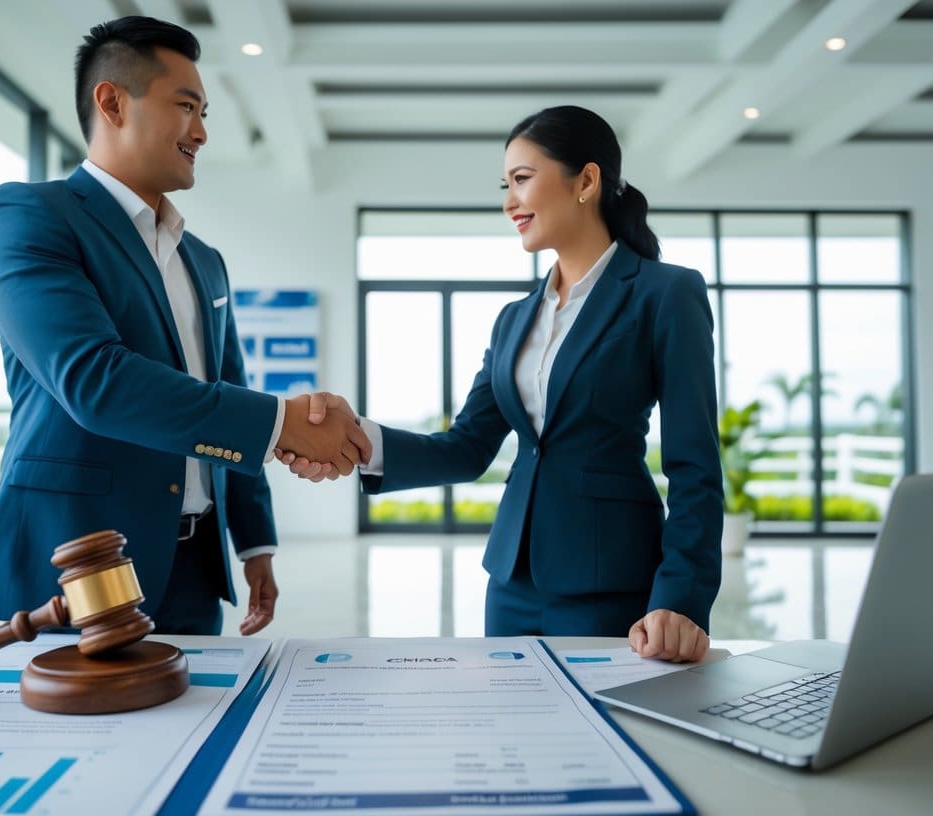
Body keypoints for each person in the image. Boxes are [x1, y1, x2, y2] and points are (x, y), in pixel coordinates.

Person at [0, 17, 369, 636]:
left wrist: (255, 543)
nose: (201, 132)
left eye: (204, 113)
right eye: (187, 107)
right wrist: (287, 423)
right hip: (73, 566)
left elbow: (229, 385)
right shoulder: (27, 215)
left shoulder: (203, 260)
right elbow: (95, 381)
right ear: (112, 101)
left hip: (195, 569)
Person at [280, 106, 722, 662]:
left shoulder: (665, 293)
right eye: (505, 184)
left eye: (522, 179)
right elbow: (466, 447)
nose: (509, 202)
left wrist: (680, 601)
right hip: (510, 583)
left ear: (586, 181)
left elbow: (695, 468)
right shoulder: (515, 318)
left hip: (609, 581)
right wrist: (355, 438)